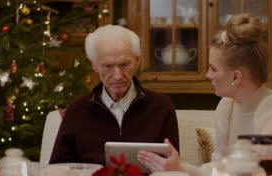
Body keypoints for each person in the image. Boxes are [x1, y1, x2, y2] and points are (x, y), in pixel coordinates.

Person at [137, 13, 272, 176]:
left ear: (236, 77)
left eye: (213, 69)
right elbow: (221, 169)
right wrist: (178, 169)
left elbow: (252, 175)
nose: (207, 75)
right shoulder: (226, 107)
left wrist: (182, 169)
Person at [49, 25, 179, 166]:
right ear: (94, 65)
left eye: (124, 64)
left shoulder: (161, 107)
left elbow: (172, 167)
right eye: (107, 66)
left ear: (137, 60)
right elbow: (58, 169)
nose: (117, 76)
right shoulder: (77, 110)